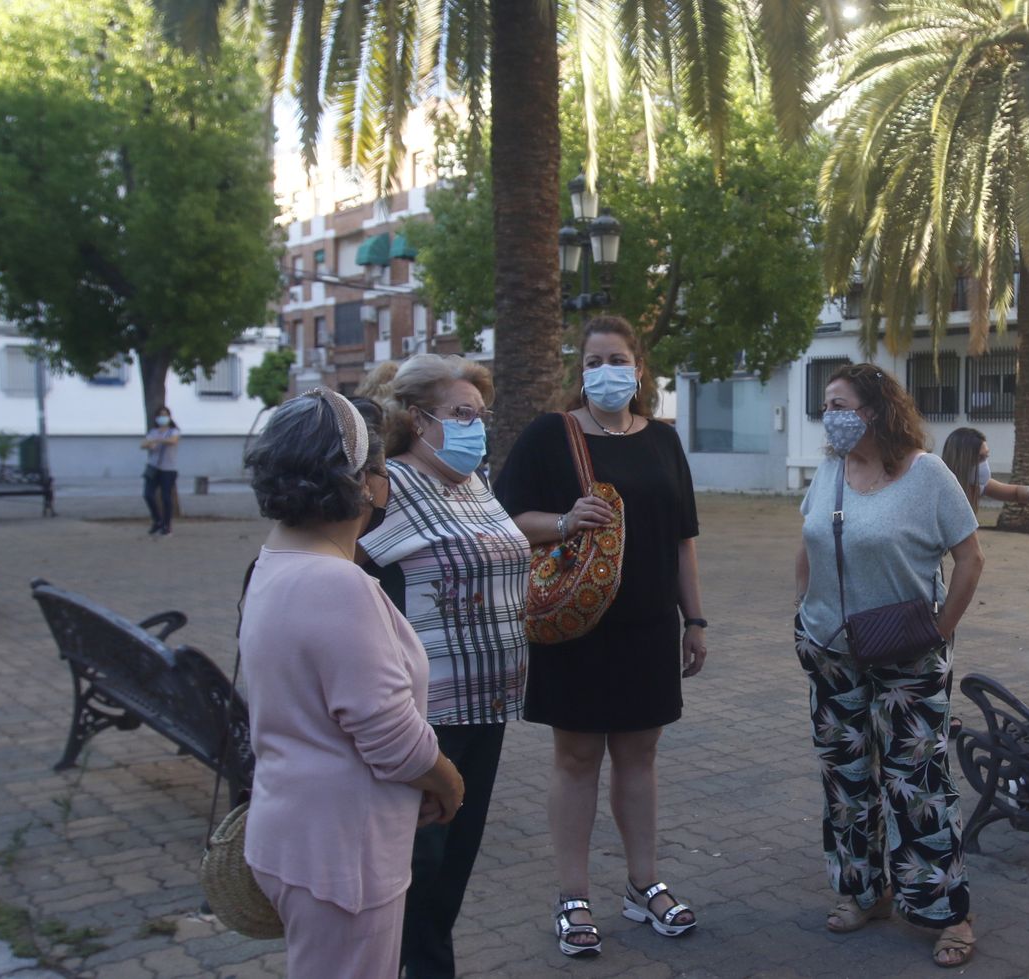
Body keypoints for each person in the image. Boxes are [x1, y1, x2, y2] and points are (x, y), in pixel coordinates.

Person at [495, 315, 706, 959]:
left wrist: (694, 620)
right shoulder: (550, 435)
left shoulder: (664, 441)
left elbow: (682, 539)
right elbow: (506, 518)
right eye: (592, 361)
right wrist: (562, 520)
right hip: (574, 626)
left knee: (640, 758)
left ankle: (644, 884)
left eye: (616, 358)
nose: (605, 370)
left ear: (638, 368)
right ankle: (573, 894)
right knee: (577, 758)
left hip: (647, 627)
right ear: (578, 370)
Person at [240, 388, 465, 979]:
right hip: (343, 853)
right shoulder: (340, 587)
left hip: (292, 834)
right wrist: (449, 783)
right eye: (382, 471)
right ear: (360, 483)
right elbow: (393, 740)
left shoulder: (276, 561)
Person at [793, 363, 984, 969]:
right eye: (827, 407)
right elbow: (808, 543)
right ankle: (862, 893)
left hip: (907, 654)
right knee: (846, 782)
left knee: (917, 784)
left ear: (873, 410)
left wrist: (940, 629)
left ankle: (947, 912)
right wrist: (802, 614)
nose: (831, 417)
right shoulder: (829, 471)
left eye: (840, 404)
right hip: (832, 651)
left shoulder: (927, 475)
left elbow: (970, 559)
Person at [355, 354, 531, 979]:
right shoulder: (389, 488)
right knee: (421, 863)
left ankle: (430, 965)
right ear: (416, 418)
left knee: (454, 864)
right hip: (428, 713)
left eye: (480, 415)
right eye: (461, 415)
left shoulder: (475, 484)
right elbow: (354, 581)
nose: (474, 427)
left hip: (490, 703)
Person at [940, 427, 1029, 511]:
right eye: (980, 458)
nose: (984, 464)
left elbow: (1015, 493)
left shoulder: (977, 485)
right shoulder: (941, 491)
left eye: (986, 456)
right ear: (963, 460)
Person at [141, 406, 181, 536]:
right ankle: (157, 520)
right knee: (148, 494)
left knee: (166, 497)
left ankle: (166, 525)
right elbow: (143, 444)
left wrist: (158, 440)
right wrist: (150, 443)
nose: (162, 418)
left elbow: (173, 441)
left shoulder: (173, 431)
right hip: (154, 467)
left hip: (168, 469)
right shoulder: (153, 431)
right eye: (160, 415)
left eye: (165, 415)